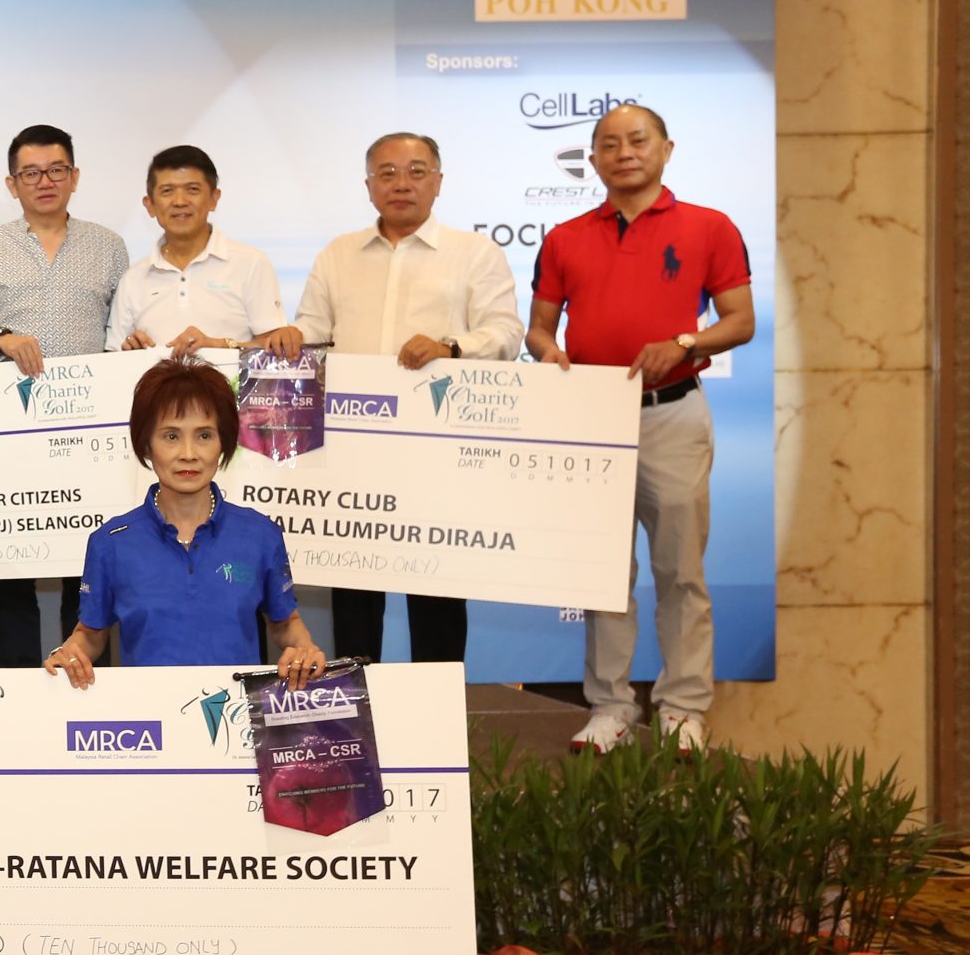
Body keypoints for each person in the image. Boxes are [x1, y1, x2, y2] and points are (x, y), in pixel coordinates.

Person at [47, 356, 327, 955]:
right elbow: (89, 635)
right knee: (160, 945)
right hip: (152, 775)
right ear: (146, 443)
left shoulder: (259, 535)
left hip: (242, 769)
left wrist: (305, 652)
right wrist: (69, 654)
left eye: (204, 434)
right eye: (171, 434)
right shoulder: (111, 542)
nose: (188, 450)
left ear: (226, 443)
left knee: (242, 949)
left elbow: (288, 627)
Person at [526, 104, 755, 754]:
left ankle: (684, 707)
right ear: (593, 159)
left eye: (637, 140)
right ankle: (611, 706)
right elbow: (539, 327)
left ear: (666, 148)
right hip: (591, 420)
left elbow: (739, 321)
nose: (623, 152)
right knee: (601, 573)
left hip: (671, 414)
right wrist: (549, 353)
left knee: (680, 571)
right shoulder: (565, 237)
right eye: (608, 144)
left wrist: (684, 342)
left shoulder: (709, 226)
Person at [292, 132, 521, 665]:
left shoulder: (474, 253)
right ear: (368, 185)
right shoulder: (338, 254)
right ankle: (360, 707)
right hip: (352, 449)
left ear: (438, 182)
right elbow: (313, 330)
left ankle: (435, 710)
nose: (402, 184)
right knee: (354, 594)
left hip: (437, 449)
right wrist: (286, 337)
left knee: (437, 591)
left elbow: (507, 334)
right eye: (387, 173)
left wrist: (451, 346)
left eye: (417, 171)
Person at [0, 123, 131, 667]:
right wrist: (0, 338)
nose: (44, 182)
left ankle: (85, 672)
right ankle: (20, 680)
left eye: (55, 170)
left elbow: (123, 331)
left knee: (88, 564)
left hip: (87, 432)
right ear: (12, 183)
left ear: (74, 176)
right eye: (31, 173)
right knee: (14, 564)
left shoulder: (109, 247)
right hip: (12, 434)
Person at [107, 145, 302, 357]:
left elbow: (275, 351)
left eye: (192, 189)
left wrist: (219, 345)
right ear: (150, 205)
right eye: (167, 191)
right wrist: (131, 353)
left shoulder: (251, 263)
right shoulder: (133, 278)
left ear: (213, 199)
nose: (180, 201)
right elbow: (113, 357)